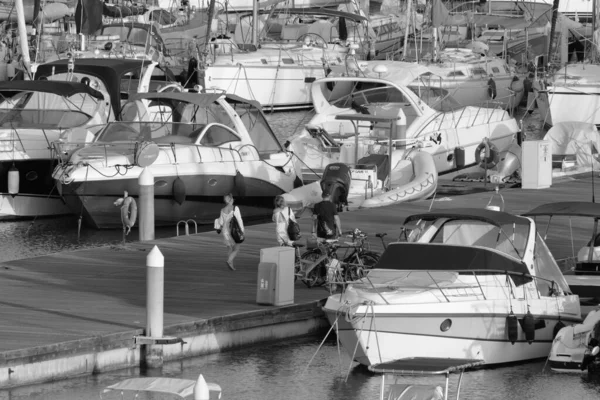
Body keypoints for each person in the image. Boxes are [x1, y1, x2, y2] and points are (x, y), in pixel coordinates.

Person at [215, 193, 244, 271]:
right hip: (233, 231)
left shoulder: (222, 210)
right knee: (236, 248)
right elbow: (239, 220)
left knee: (229, 249)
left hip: (225, 231)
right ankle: (229, 261)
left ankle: (231, 264)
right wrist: (242, 231)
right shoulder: (235, 208)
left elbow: (220, 222)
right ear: (231, 199)